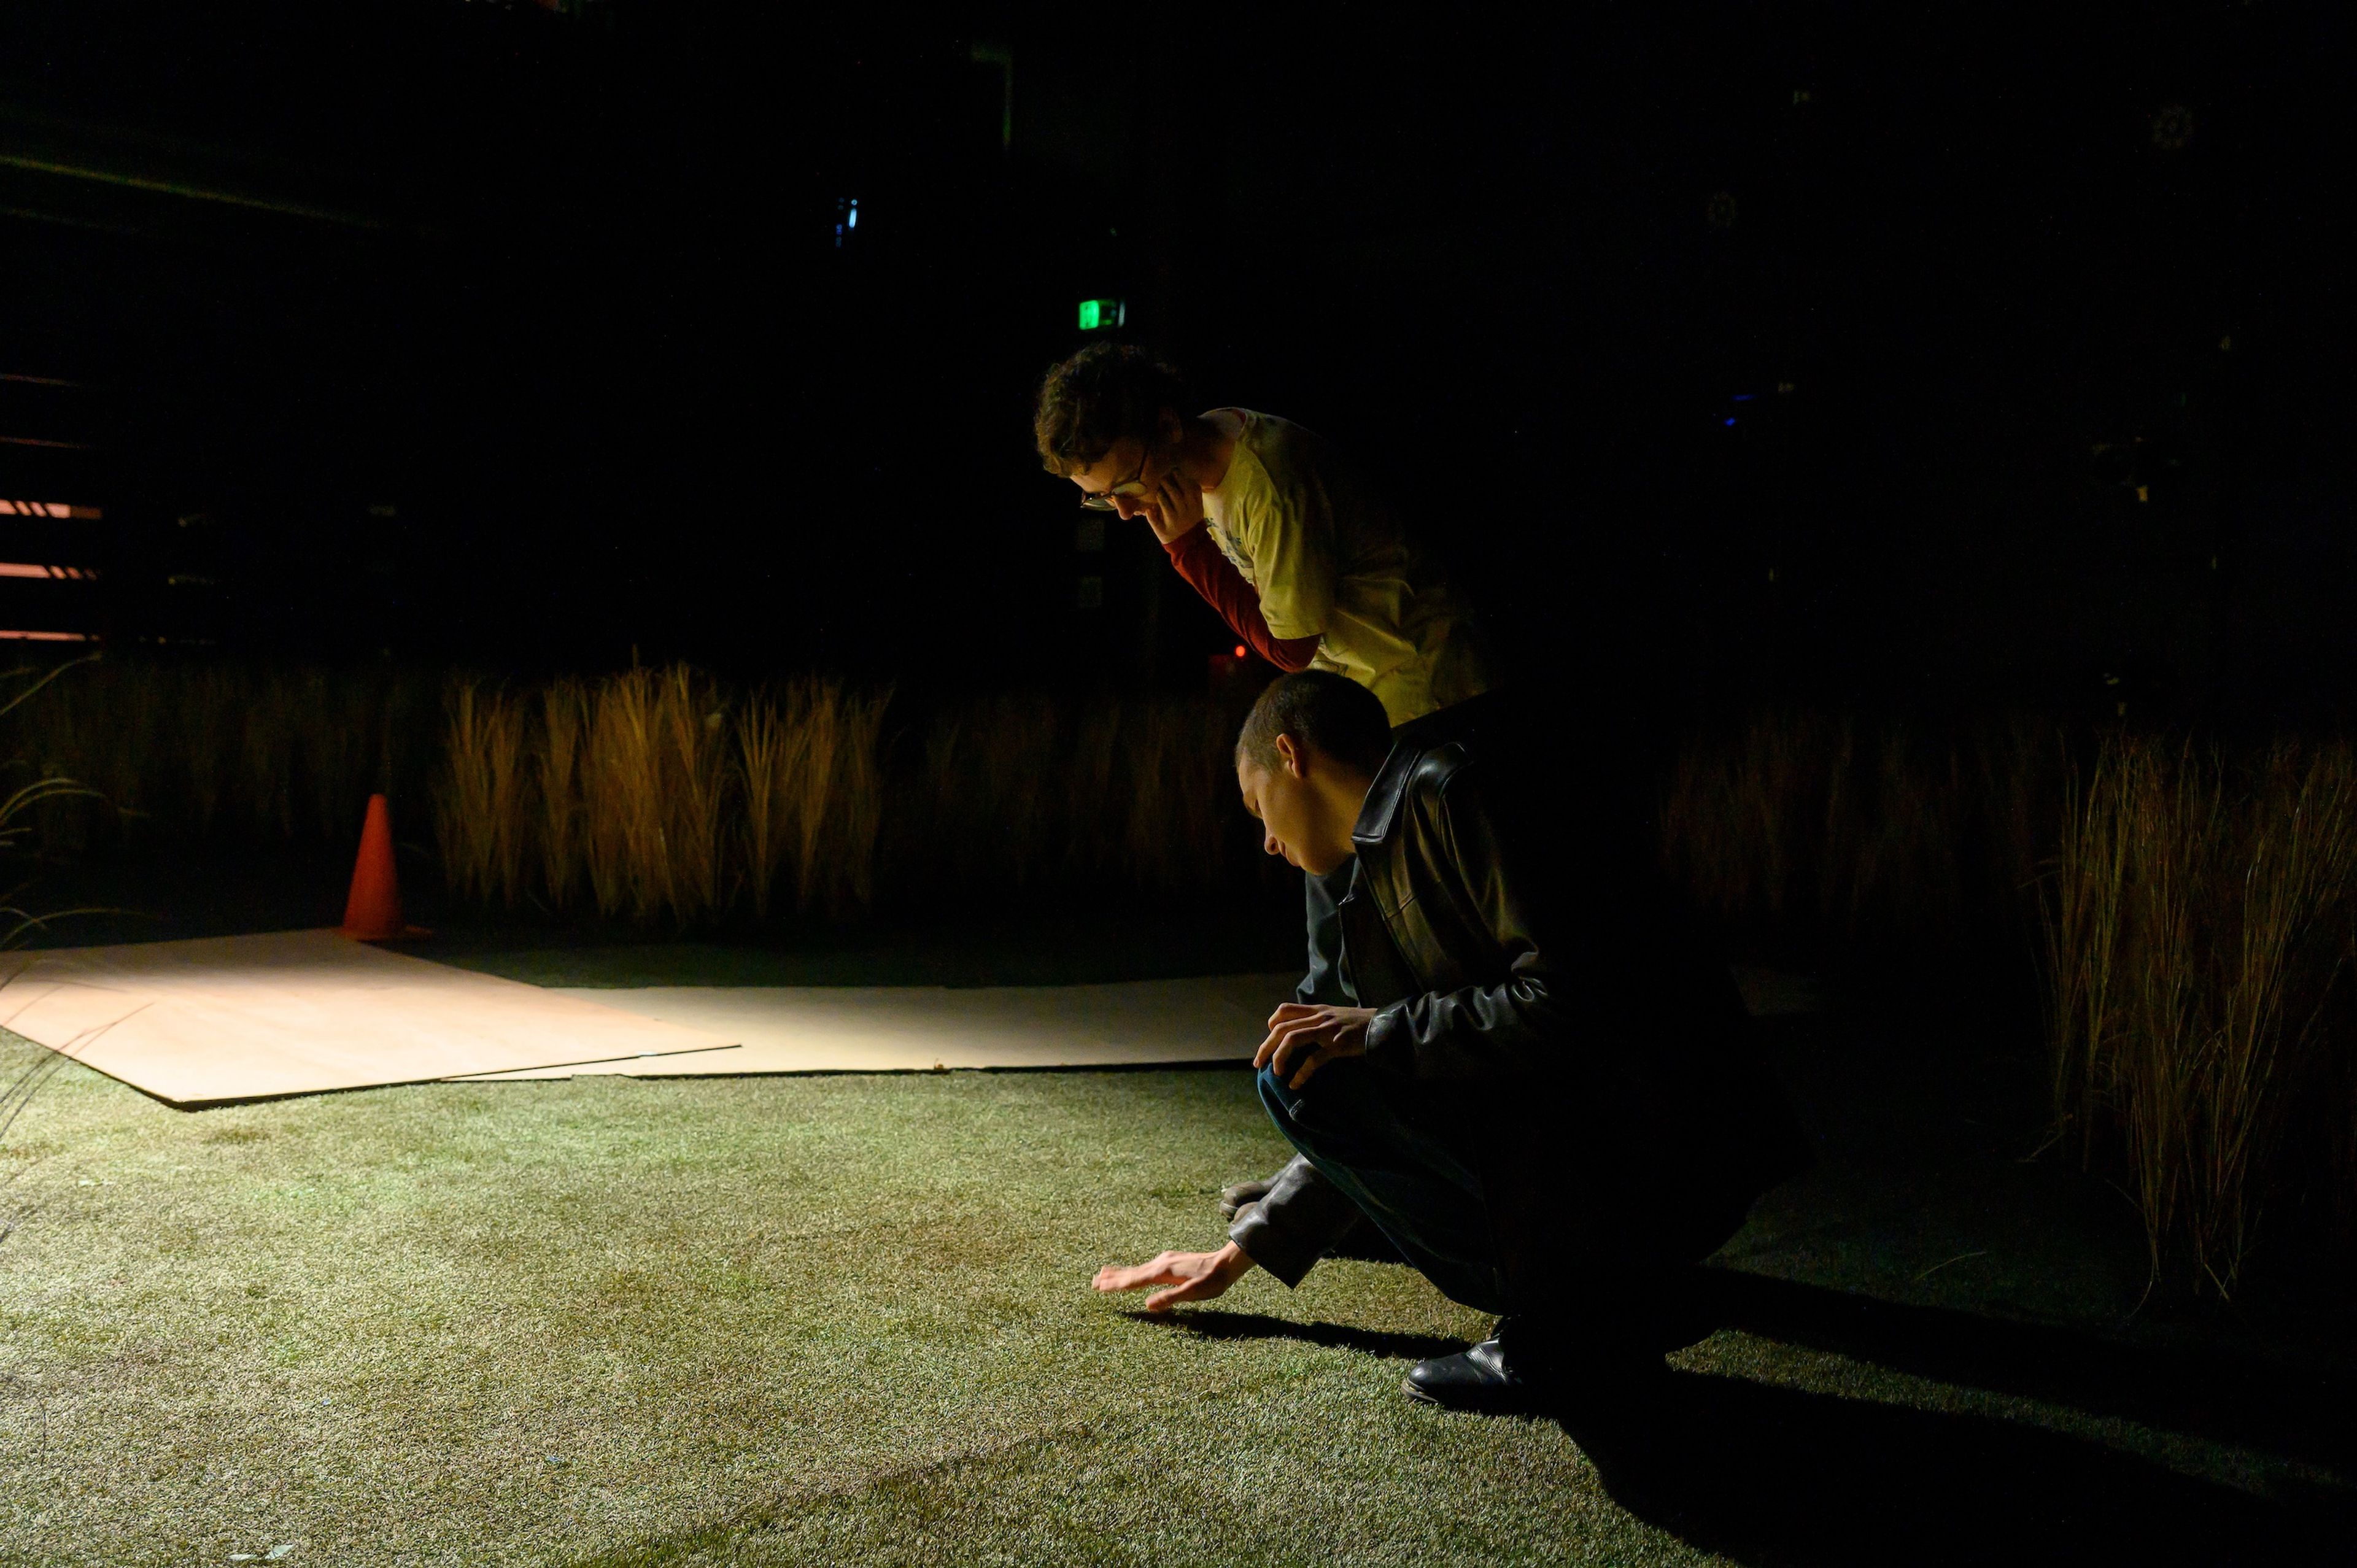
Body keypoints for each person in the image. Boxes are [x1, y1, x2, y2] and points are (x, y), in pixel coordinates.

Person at [1093, 671, 1810, 1412]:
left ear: (1291, 753)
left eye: (1257, 807)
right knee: (1308, 1070)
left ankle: (1582, 1319)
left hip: (1670, 1147)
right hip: (1606, 1138)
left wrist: (1380, 1028)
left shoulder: (1452, 788)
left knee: (1314, 1069)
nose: (1268, 842)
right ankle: (1614, 1294)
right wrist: (1243, 1250)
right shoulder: (1368, 852)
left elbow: (1571, 1002)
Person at [1035, 342, 1495, 1256]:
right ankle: (1335, 1176)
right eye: (1102, 497)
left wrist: (1186, 551)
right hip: (1368, 716)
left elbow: (1288, 642)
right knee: (1335, 959)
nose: (1124, 509)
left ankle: (1379, 1187)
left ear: (1167, 428)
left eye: (1124, 482)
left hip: (1425, 704)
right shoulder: (1201, 476)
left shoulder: (1264, 481)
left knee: (1385, 972)